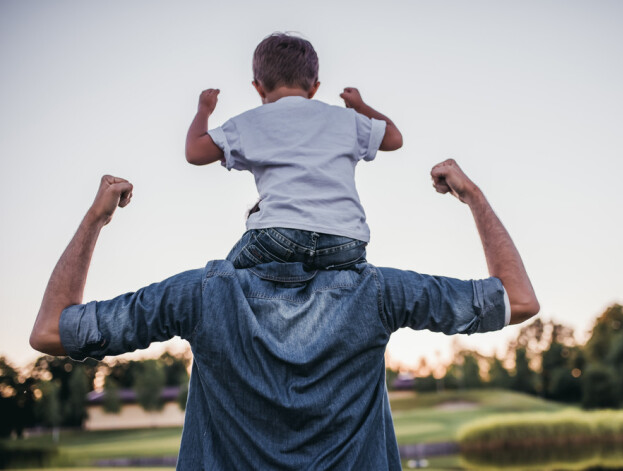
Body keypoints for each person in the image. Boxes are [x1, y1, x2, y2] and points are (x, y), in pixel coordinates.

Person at [30, 159, 539, 470]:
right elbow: (518, 300)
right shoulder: (378, 292)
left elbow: (52, 330)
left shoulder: (201, 294)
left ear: (254, 228)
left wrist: (96, 218)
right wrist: (472, 195)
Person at [185, 32, 403, 270]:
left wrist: (204, 110)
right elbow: (394, 138)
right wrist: (360, 106)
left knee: (223, 279)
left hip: (280, 236)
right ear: (314, 88)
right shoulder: (345, 119)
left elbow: (195, 152)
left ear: (258, 88)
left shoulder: (250, 122)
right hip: (346, 241)